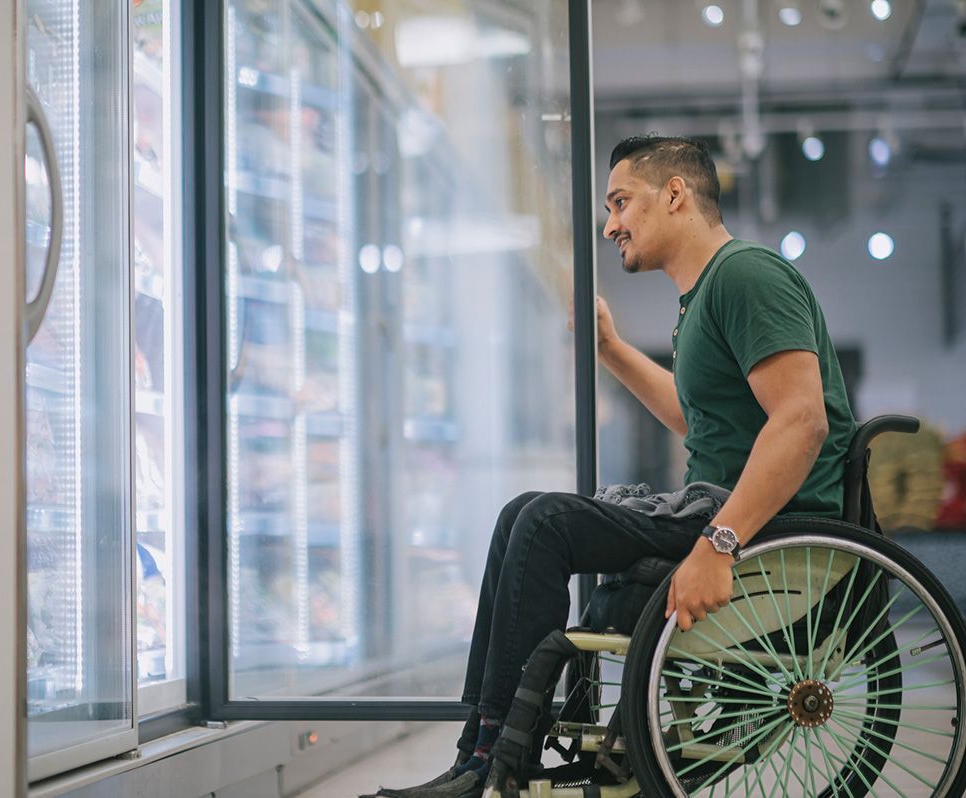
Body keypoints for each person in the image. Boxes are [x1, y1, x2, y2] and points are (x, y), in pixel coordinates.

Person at [364, 135, 856, 798]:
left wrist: (720, 541)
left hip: (767, 528)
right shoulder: (706, 294)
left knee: (543, 521)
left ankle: (498, 763)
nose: (610, 224)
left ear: (676, 195)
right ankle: (479, 755)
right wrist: (613, 350)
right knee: (522, 516)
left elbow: (802, 420)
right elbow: (697, 419)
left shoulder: (746, 275)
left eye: (621, 201)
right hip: (728, 510)